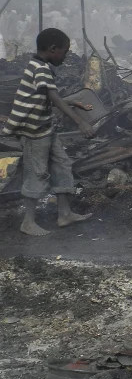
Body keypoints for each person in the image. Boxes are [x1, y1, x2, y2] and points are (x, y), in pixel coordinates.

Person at [2, 28, 96, 236]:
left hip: (45, 128)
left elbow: (43, 96)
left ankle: (64, 214)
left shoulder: (39, 65)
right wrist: (80, 122)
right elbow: (52, 97)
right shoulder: (41, 68)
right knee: (37, 173)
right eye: (64, 52)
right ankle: (28, 222)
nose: (65, 56)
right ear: (53, 49)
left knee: (62, 165)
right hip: (35, 132)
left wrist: (72, 102)